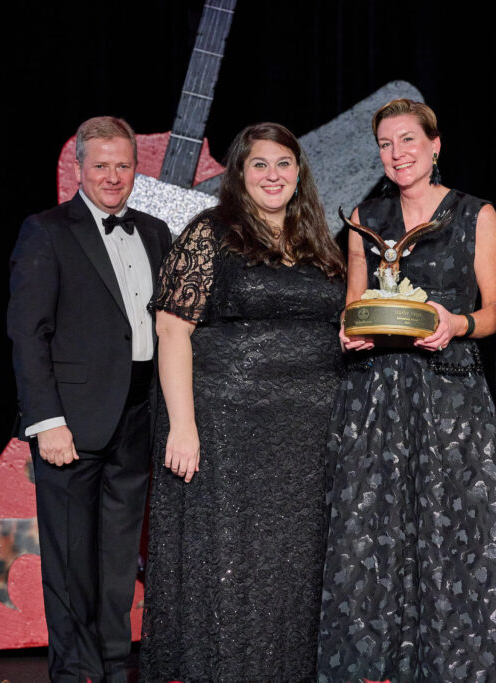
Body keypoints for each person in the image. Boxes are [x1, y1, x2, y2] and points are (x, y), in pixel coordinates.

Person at [318, 98, 496, 682]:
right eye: (386, 144)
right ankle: (377, 668)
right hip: (374, 395)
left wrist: (456, 323)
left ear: (435, 146)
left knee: (457, 533)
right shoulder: (366, 216)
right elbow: (354, 305)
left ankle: (458, 669)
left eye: (408, 140)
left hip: (449, 394)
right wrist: (348, 331)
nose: (397, 153)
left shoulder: (475, 214)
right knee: (371, 535)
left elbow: (493, 314)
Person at [139, 122, 346, 682]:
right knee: (233, 561)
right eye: (260, 164)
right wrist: (183, 426)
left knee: (294, 564)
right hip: (227, 424)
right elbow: (172, 330)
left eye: (283, 163)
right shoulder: (211, 233)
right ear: (239, 173)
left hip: (308, 433)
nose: (272, 175)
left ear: (299, 172)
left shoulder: (318, 240)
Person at [7, 116, 171, 683]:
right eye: (101, 165)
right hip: (70, 425)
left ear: (136, 168)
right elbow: (28, 334)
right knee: (71, 561)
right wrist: (47, 421)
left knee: (118, 563)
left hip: (138, 416)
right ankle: (75, 675)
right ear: (79, 168)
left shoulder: (155, 232)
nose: (112, 176)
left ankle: (112, 669)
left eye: (123, 165)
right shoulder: (46, 230)